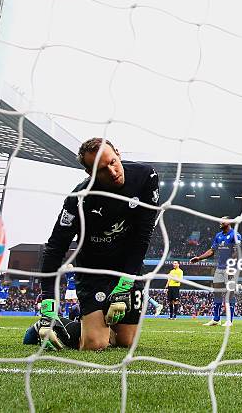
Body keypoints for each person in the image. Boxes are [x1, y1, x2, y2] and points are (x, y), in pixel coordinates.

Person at [37, 138, 159, 350]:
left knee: (126, 342)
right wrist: (48, 308)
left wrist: (125, 284)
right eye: (102, 169)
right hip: (93, 270)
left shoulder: (146, 177)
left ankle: (105, 327)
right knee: (94, 344)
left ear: (118, 154)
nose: (112, 171)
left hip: (127, 268)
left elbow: (143, 235)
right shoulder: (79, 199)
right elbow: (55, 248)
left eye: (113, 162)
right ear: (90, 174)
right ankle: (59, 327)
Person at [190, 217, 242, 327]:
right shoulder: (218, 235)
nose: (220, 222)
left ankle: (229, 320)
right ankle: (216, 319)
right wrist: (199, 258)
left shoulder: (235, 235)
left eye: (223, 220)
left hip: (230, 268)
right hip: (219, 268)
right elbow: (212, 251)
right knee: (217, 292)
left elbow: (237, 252)